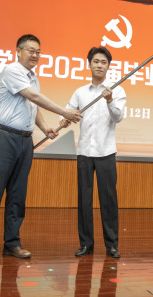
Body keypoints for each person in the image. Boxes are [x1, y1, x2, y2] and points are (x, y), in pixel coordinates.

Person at [0, 34, 82, 264]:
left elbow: (33, 105)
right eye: (31, 50)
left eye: (38, 52)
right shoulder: (12, 70)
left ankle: (12, 243)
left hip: (25, 141)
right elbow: (33, 96)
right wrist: (63, 112)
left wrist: (45, 128)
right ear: (18, 51)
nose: (35, 55)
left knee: (18, 194)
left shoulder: (33, 77)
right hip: (3, 136)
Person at [60, 46, 126, 259]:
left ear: (108, 66)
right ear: (89, 64)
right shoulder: (80, 92)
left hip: (106, 152)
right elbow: (67, 112)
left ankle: (112, 245)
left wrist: (110, 100)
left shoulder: (117, 90)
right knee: (84, 200)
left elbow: (118, 117)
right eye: (96, 61)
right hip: (85, 152)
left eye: (103, 62)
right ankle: (86, 244)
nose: (99, 65)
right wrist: (64, 119)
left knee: (109, 201)